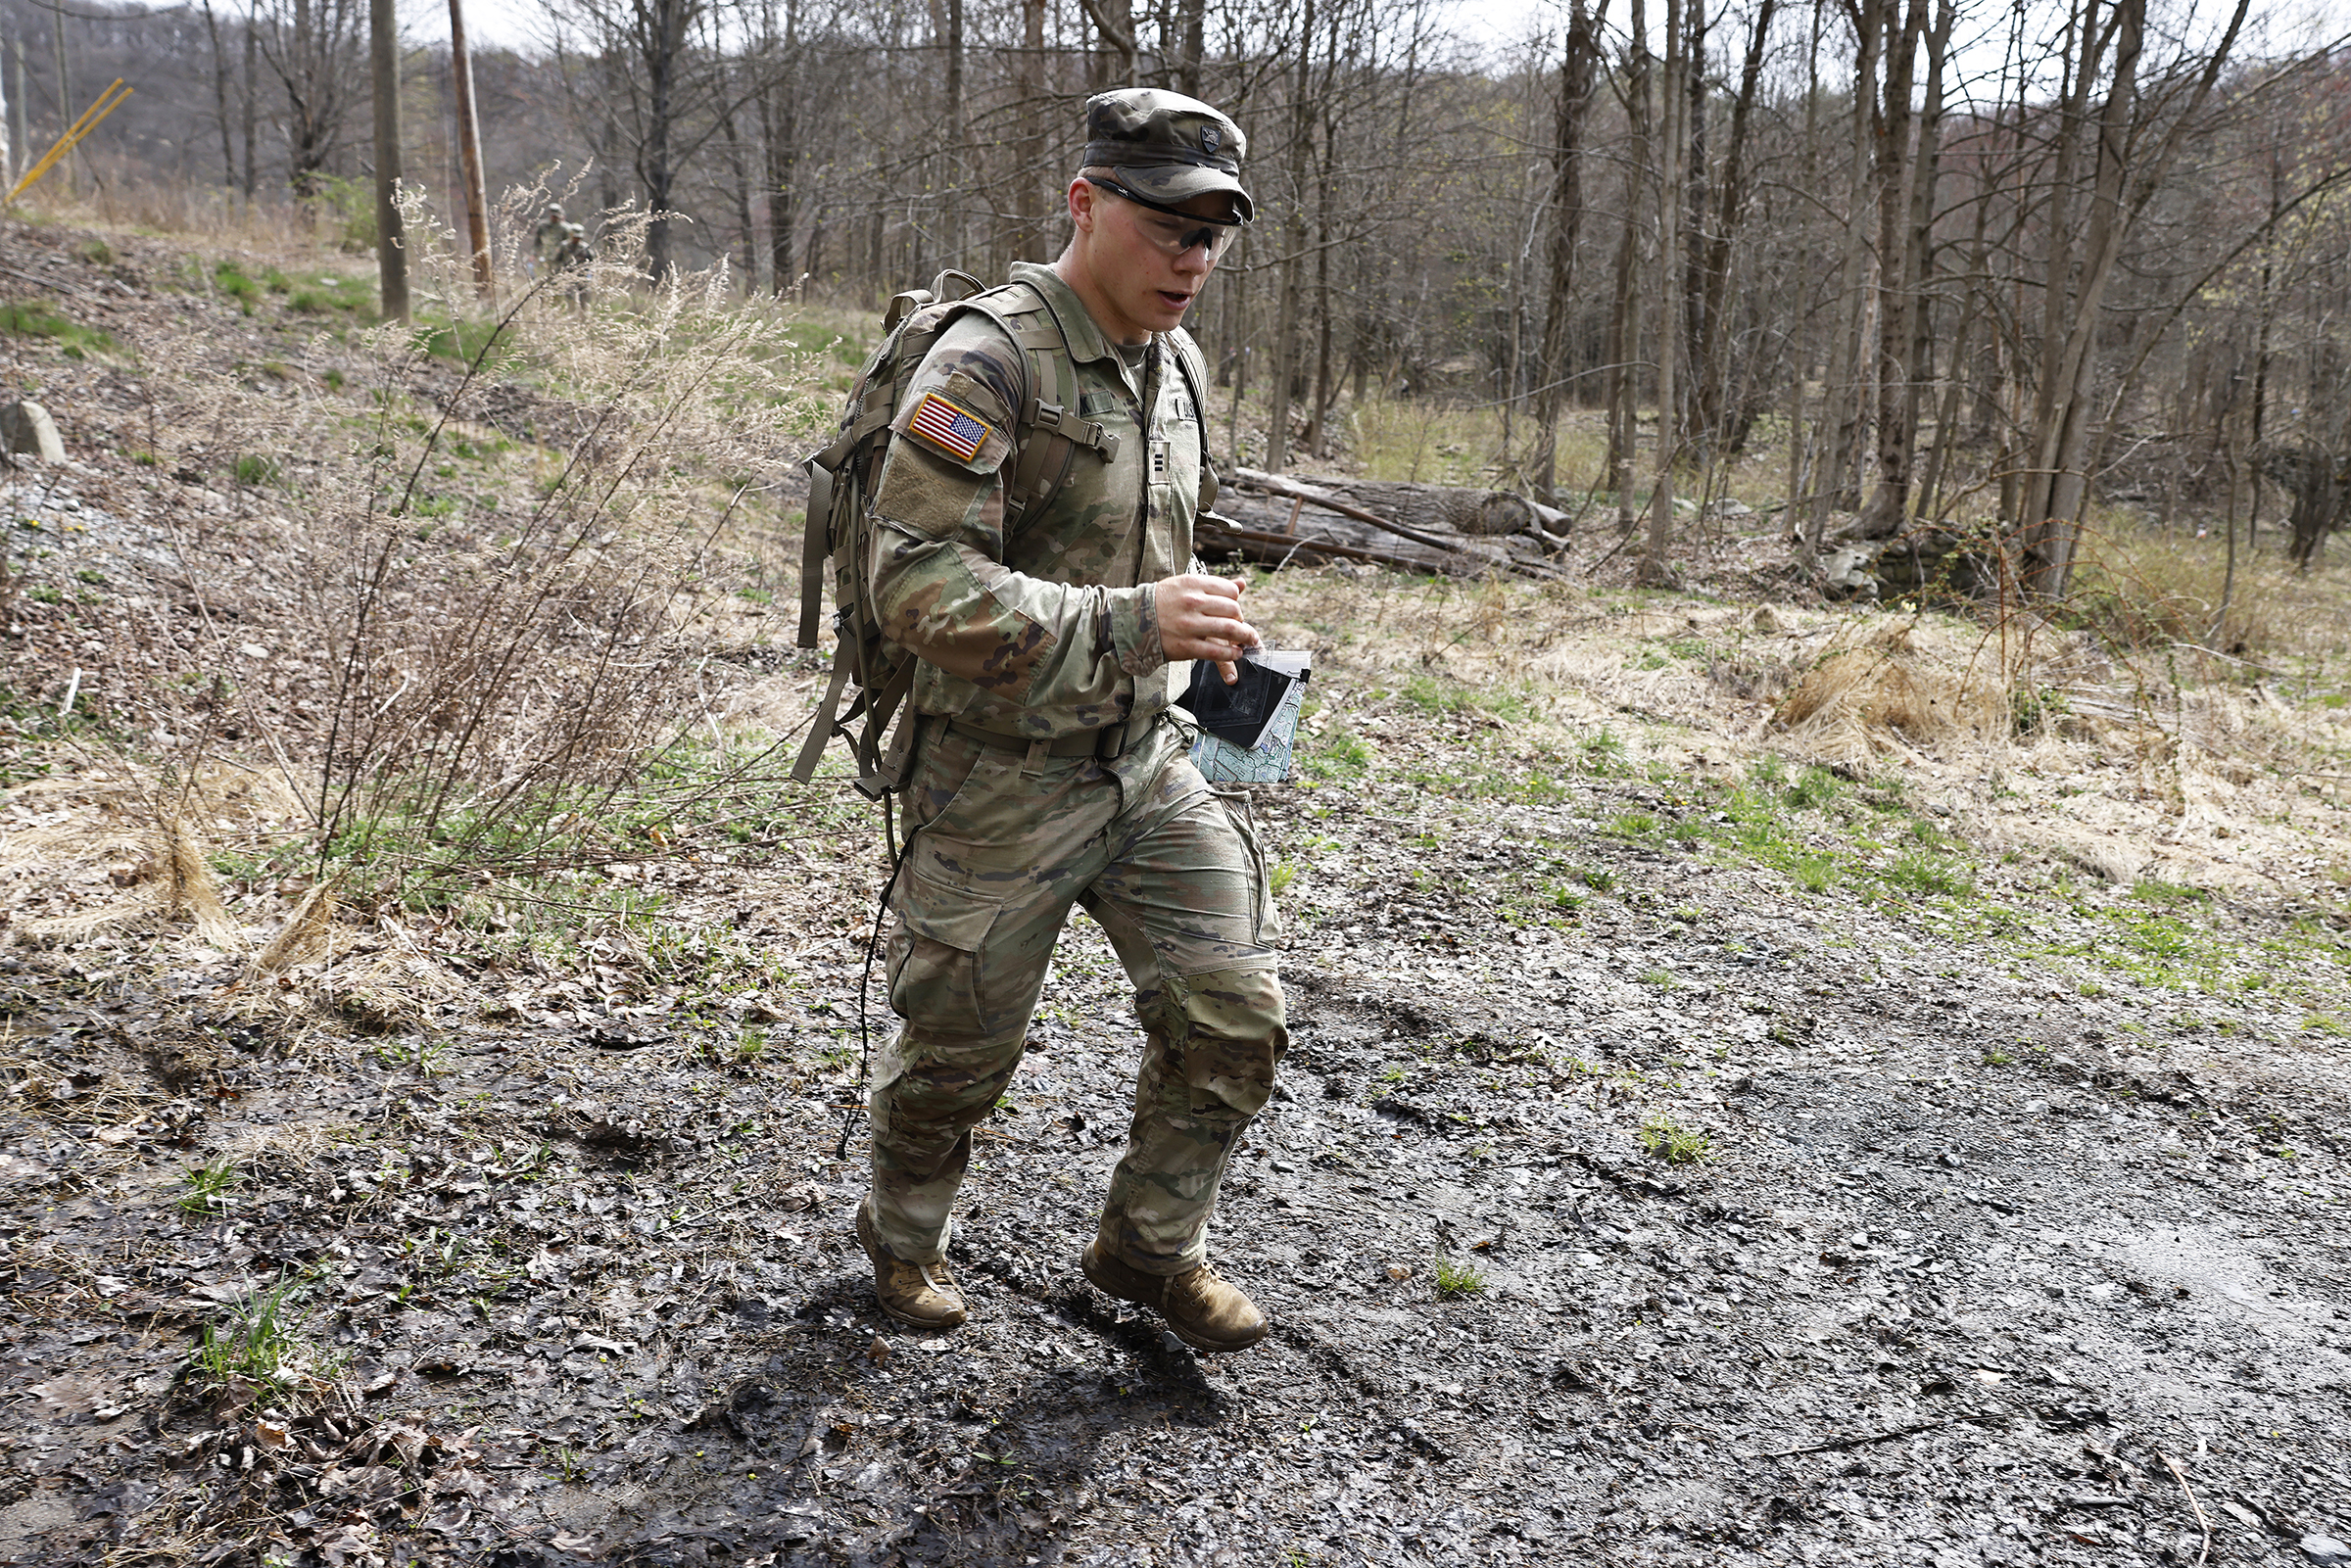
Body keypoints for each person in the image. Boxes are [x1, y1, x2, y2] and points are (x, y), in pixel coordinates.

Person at [853, 88, 1284, 1354]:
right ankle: (904, 1238)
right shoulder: (987, 363)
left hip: (1141, 761)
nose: (1192, 259)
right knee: (954, 1055)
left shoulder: (1180, 362)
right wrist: (1131, 621)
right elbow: (913, 583)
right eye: (1168, 226)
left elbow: (1148, 543)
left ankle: (1148, 1250)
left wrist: (1195, 629)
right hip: (994, 775)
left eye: (1214, 235)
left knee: (1233, 1013)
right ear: (1087, 204)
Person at [532, 203, 568, 272]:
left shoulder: (565, 229)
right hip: (544, 254)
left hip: (557, 257)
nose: (554, 218)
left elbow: (567, 245)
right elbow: (537, 241)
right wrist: (534, 253)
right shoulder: (543, 225)